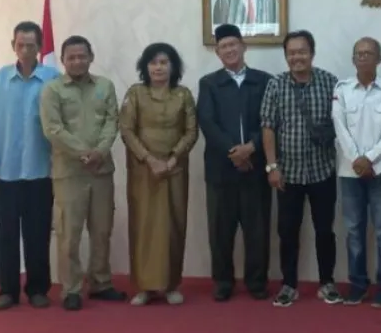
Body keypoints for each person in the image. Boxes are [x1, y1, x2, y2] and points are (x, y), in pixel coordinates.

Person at [39, 35, 126, 311]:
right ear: (63, 60)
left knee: (102, 230)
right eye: (71, 57)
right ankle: (71, 289)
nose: (77, 61)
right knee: (69, 234)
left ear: (91, 57)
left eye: (82, 56)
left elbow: (112, 121)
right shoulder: (52, 90)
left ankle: (100, 283)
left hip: (101, 170)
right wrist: (83, 152)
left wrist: (99, 151)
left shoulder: (105, 86)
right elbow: (53, 129)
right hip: (69, 173)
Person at [260, 30, 342, 307]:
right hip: (288, 173)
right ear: (286, 56)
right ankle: (289, 284)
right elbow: (268, 127)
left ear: (312, 53)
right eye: (291, 53)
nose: (297, 57)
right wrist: (272, 166)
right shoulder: (276, 85)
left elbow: (341, 123)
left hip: (323, 171)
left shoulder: (330, 82)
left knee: (324, 231)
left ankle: (327, 282)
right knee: (287, 232)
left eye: (302, 51)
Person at [0, 21, 59, 311]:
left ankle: (38, 289)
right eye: (20, 45)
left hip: (40, 170)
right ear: (13, 46)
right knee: (6, 235)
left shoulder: (53, 78)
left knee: (37, 234)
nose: (26, 50)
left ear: (39, 47)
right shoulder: (1, 79)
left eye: (31, 45)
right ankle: (8, 290)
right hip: (6, 172)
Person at [197, 24, 272, 301]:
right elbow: (207, 122)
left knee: (257, 230)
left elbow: (270, 121)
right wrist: (234, 152)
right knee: (220, 231)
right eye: (223, 47)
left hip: (256, 168)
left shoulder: (264, 81)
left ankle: (256, 282)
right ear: (217, 53)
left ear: (243, 47)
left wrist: (251, 148)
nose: (229, 50)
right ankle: (223, 282)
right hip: (221, 170)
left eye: (233, 45)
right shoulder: (209, 83)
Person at [119, 43, 198, 306]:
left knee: (173, 226)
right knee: (143, 226)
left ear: (173, 67)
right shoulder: (136, 93)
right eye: (153, 62)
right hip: (143, 170)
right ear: (145, 66)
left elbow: (191, 131)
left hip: (175, 169)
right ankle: (144, 287)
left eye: (164, 62)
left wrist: (172, 158)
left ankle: (171, 285)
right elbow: (127, 130)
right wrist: (150, 159)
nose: (158, 67)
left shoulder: (183, 95)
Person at [331, 37, 381, 308]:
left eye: (368, 53)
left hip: (380, 170)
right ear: (353, 59)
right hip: (350, 171)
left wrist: (369, 158)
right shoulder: (342, 89)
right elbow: (339, 126)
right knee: (353, 230)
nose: (363, 57)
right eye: (359, 54)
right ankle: (358, 285)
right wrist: (357, 159)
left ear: (379, 59)